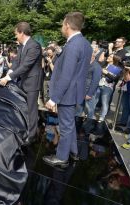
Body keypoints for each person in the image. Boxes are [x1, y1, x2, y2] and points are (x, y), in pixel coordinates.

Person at [43, 12, 92, 168]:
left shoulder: (72, 45)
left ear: (68, 26)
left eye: (62, 24)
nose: (61, 27)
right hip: (74, 91)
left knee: (65, 127)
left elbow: (66, 76)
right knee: (69, 124)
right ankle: (74, 152)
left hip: (67, 93)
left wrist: (54, 98)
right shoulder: (85, 43)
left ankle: (61, 158)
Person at [0, 22, 43, 142]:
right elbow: (17, 63)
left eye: (16, 34)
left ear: (22, 33)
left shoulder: (34, 46)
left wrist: (8, 78)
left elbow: (25, 66)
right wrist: (8, 74)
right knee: (24, 108)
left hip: (32, 83)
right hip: (23, 82)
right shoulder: (22, 46)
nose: (15, 37)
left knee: (31, 110)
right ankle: (25, 129)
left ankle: (32, 136)